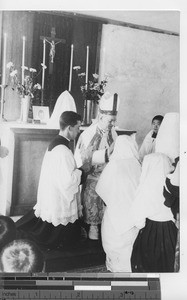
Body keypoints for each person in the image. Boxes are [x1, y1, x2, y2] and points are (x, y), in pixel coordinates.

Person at [16, 111, 90, 250]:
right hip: (58, 198)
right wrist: (83, 170)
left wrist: (79, 171)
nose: (78, 131)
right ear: (69, 128)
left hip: (53, 193)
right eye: (77, 128)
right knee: (54, 239)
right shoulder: (62, 150)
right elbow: (68, 182)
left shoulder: (58, 143)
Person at [130, 112, 179, 272]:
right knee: (170, 262)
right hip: (172, 231)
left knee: (149, 263)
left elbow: (138, 216)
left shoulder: (146, 188)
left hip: (151, 230)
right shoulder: (170, 187)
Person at [74, 92, 120, 240]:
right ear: (101, 117)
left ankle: (109, 225)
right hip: (91, 174)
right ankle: (93, 227)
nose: (113, 124)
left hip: (109, 173)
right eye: (110, 121)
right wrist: (107, 153)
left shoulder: (112, 131)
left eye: (114, 121)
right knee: (94, 188)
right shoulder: (88, 134)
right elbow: (84, 159)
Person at [95, 135, 141, 272]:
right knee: (130, 244)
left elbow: (100, 189)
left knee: (115, 243)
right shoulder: (137, 165)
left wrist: (113, 201)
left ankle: (116, 269)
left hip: (115, 212)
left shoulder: (113, 165)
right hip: (134, 214)